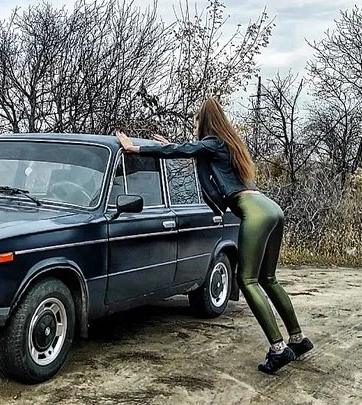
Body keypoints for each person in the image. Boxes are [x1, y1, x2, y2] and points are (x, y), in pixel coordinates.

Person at [115, 98, 314, 374]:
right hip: (271, 208)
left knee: (247, 280)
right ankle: (298, 339)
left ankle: (279, 350)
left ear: (204, 122)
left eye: (196, 122)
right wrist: (169, 146)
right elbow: (189, 152)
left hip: (254, 211)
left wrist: (134, 148)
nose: (195, 128)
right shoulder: (227, 143)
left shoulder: (213, 141)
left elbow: (188, 149)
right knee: (268, 279)